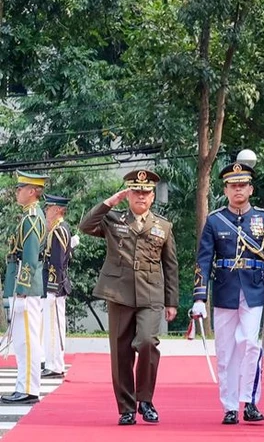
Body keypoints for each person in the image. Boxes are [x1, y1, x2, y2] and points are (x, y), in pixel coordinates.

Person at [79, 169, 178, 425]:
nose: (141, 197)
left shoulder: (163, 226)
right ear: (128, 194)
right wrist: (110, 202)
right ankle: (126, 407)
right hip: (119, 292)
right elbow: (85, 225)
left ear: (153, 196)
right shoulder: (113, 219)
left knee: (146, 342)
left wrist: (172, 301)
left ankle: (145, 399)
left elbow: (170, 266)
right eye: (136, 192)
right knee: (121, 351)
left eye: (145, 193)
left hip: (150, 293)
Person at [192, 161, 264, 425]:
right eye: (233, 186)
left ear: (251, 189)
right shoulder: (215, 220)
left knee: (251, 344)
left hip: (254, 289)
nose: (238, 190)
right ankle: (230, 406)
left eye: (242, 185)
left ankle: (251, 401)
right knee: (226, 350)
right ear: (226, 190)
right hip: (225, 289)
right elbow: (203, 260)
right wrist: (200, 297)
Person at [1, 171, 48, 404]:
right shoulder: (30, 215)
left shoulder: (31, 217)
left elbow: (29, 257)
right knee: (21, 340)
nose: (17, 192)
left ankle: (29, 389)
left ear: (32, 191)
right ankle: (24, 386)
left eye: (21, 188)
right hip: (23, 284)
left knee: (27, 340)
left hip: (26, 286)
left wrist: (21, 288)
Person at [41, 194, 74, 379]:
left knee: (54, 327)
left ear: (58, 210)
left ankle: (55, 365)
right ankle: (54, 363)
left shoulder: (59, 230)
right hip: (55, 286)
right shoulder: (57, 229)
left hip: (55, 286)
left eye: (49, 208)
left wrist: (52, 287)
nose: (47, 212)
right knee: (53, 326)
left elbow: (57, 262)